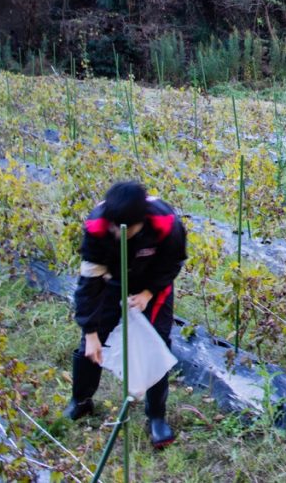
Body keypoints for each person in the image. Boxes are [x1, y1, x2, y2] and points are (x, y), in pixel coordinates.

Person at [67, 181, 187, 449]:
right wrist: (90, 332)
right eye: (112, 225)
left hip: (153, 282)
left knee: (157, 341)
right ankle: (81, 400)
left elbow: (173, 262)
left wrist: (147, 293)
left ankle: (156, 417)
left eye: (124, 229)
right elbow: (88, 283)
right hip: (111, 281)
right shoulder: (97, 227)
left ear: (140, 222)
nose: (115, 231)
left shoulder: (166, 222)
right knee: (91, 342)